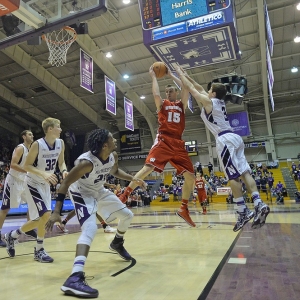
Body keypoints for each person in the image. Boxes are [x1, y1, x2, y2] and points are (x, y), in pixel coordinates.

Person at [45, 128, 146, 298]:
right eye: (112, 138)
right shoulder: (86, 162)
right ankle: (74, 277)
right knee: (90, 229)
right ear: (105, 145)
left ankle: (117, 243)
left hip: (98, 190)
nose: (115, 140)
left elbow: (114, 172)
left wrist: (132, 178)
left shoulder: (112, 156)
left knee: (127, 215)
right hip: (81, 193)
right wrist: (56, 212)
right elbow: (65, 183)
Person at [176, 66, 270, 231]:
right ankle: (258, 202)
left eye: (209, 89)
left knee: (233, 176)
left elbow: (192, 89)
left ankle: (242, 211)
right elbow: (197, 86)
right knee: (245, 172)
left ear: (212, 93)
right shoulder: (217, 101)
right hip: (236, 138)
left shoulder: (208, 102)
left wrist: (178, 72)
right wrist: (185, 75)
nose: (207, 90)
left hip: (224, 139)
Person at [119, 64, 196, 227]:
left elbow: (186, 87)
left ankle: (184, 209)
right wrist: (154, 77)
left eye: (170, 91)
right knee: (148, 168)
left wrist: (171, 75)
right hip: (164, 140)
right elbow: (155, 94)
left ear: (175, 91)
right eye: (166, 92)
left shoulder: (181, 104)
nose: (168, 93)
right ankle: (124, 195)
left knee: (191, 176)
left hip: (178, 143)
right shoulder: (163, 105)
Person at [4, 117, 67, 262]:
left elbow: (62, 162)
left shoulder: (60, 143)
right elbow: (26, 166)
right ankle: (39, 250)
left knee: (40, 219)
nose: (61, 129)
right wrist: (44, 173)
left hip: (44, 184)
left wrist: (64, 171)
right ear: (50, 129)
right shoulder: (38, 145)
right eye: (59, 126)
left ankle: (12, 235)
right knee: (46, 215)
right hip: (32, 182)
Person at [0, 130, 36, 247]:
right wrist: (28, 170)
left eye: (32, 134)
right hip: (14, 181)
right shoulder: (20, 148)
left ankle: (28, 228)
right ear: (24, 136)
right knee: (5, 209)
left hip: (24, 181)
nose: (32, 136)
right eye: (30, 134)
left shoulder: (32, 149)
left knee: (33, 203)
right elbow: (13, 164)